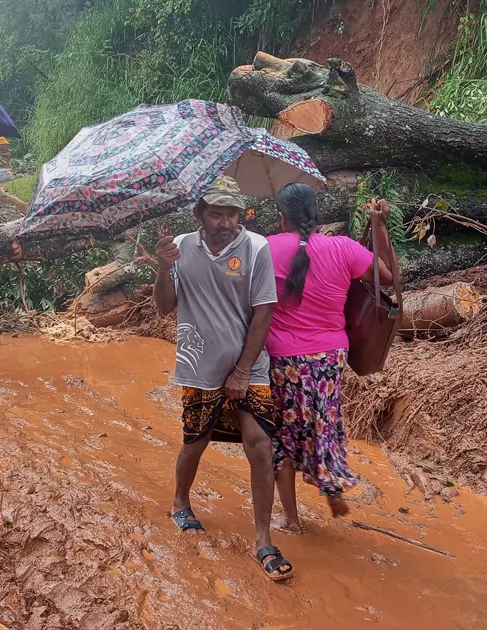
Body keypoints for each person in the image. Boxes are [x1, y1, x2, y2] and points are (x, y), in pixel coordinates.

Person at [153, 176, 294, 582]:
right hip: (198, 365)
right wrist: (164, 270)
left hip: (249, 365)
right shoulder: (180, 248)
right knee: (195, 441)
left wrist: (244, 370)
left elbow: (264, 312)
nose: (226, 221)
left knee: (261, 446)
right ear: (199, 215)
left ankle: (263, 539)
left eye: (233, 213)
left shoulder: (256, 247)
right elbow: (165, 307)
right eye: (217, 213)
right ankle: (181, 502)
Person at [265, 184, 394, 532]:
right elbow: (389, 278)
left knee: (284, 434)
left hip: (283, 359)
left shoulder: (265, 248)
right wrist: (379, 228)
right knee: (324, 421)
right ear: (315, 214)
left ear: (281, 217)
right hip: (330, 357)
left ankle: (291, 519)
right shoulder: (344, 249)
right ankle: (331, 480)